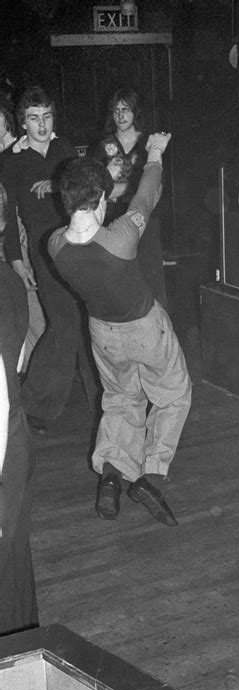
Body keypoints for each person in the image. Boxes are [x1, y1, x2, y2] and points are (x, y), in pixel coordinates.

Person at [48, 133, 192, 525]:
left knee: (121, 401)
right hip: (145, 328)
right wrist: (157, 153)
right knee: (173, 396)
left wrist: (101, 184)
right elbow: (145, 196)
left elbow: (87, 226)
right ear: (99, 200)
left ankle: (111, 477)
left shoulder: (56, 245)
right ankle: (152, 476)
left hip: (103, 334)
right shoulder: (121, 239)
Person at [1, 86, 98, 434]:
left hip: (77, 240)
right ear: (22, 122)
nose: (41, 125)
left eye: (47, 117)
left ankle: (90, 397)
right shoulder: (11, 159)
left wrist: (57, 185)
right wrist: (15, 258)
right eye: (33, 119)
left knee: (82, 318)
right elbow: (8, 216)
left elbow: (90, 187)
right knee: (64, 319)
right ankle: (33, 403)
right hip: (43, 247)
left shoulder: (64, 149)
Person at [93, 88, 168, 308]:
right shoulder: (103, 146)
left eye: (125, 109)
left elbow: (157, 183)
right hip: (113, 218)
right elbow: (95, 188)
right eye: (116, 110)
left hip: (145, 216)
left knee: (151, 277)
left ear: (135, 112)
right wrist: (128, 187)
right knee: (119, 275)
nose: (120, 115)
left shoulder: (149, 143)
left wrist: (117, 188)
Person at [0, 260, 38, 636]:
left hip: (3, 446)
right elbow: (19, 358)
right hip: (13, 440)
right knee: (12, 571)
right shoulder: (9, 279)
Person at [0, 92, 46, 373]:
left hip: (17, 237)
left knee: (31, 312)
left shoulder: (17, 152)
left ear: (7, 120)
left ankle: (31, 374)